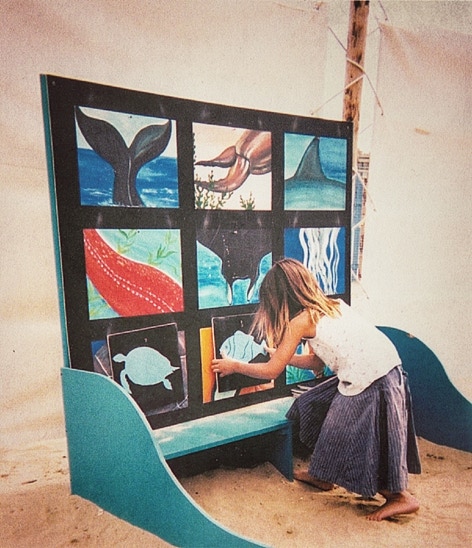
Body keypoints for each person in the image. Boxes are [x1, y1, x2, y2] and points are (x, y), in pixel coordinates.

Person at [211, 258, 421, 521]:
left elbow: (271, 372)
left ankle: (399, 497)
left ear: (281, 298)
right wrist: (282, 355)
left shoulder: (300, 321)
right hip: (385, 371)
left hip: (370, 381)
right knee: (311, 403)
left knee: (355, 440)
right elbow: (316, 362)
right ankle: (322, 475)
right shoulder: (333, 306)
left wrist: (234, 366)